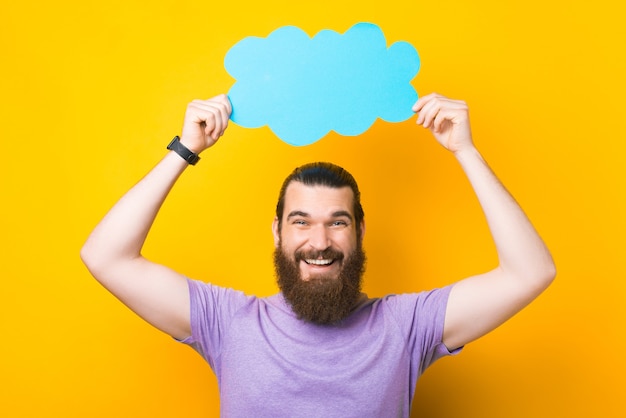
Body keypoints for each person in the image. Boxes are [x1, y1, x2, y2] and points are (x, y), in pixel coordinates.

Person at [81, 93, 556, 417]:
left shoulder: (408, 326)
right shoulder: (227, 322)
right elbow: (106, 256)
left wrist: (465, 150)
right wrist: (185, 148)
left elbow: (530, 272)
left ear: (360, 232)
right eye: (301, 221)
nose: (320, 241)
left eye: (338, 221)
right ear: (278, 233)